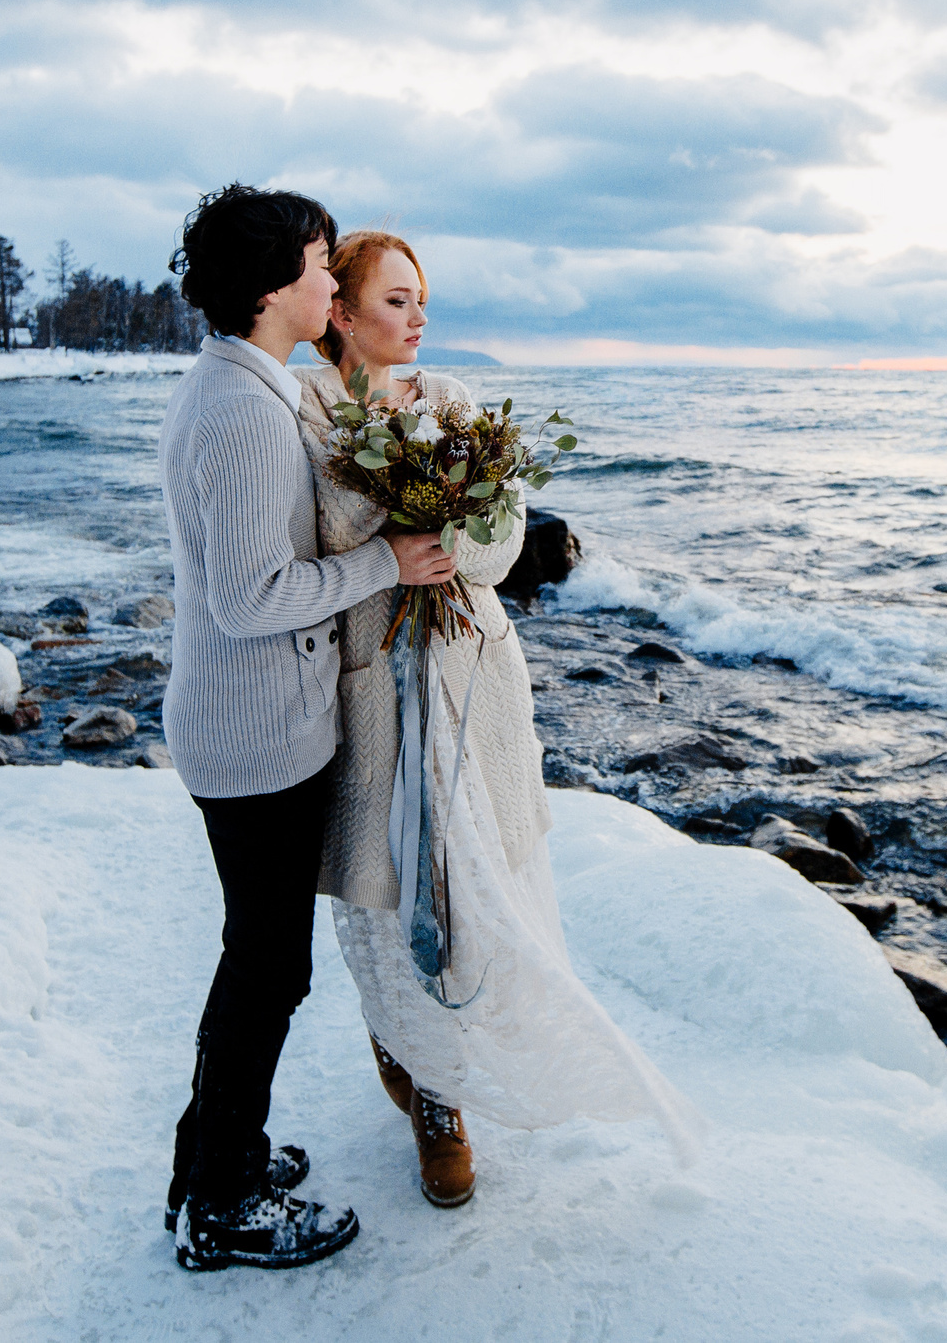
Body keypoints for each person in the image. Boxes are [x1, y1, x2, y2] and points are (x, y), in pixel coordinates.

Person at [291, 230, 702, 1210]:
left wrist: (442, 543)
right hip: (370, 681)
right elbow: (318, 539)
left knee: (473, 892)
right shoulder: (302, 411)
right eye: (394, 300)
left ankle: (448, 1081)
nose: (417, 316)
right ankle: (416, 1064)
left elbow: (504, 537)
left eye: (420, 298)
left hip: (475, 672)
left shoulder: (454, 404)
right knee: (389, 888)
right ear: (339, 313)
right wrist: (395, 541)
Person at [157, 186, 458, 1272]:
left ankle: (212, 1159)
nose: (333, 285)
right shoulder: (240, 409)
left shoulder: (252, 388)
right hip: (249, 739)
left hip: (258, 726)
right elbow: (247, 598)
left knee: (261, 961)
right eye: (323, 265)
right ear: (275, 283)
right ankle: (223, 1202)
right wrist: (386, 563)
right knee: (266, 970)